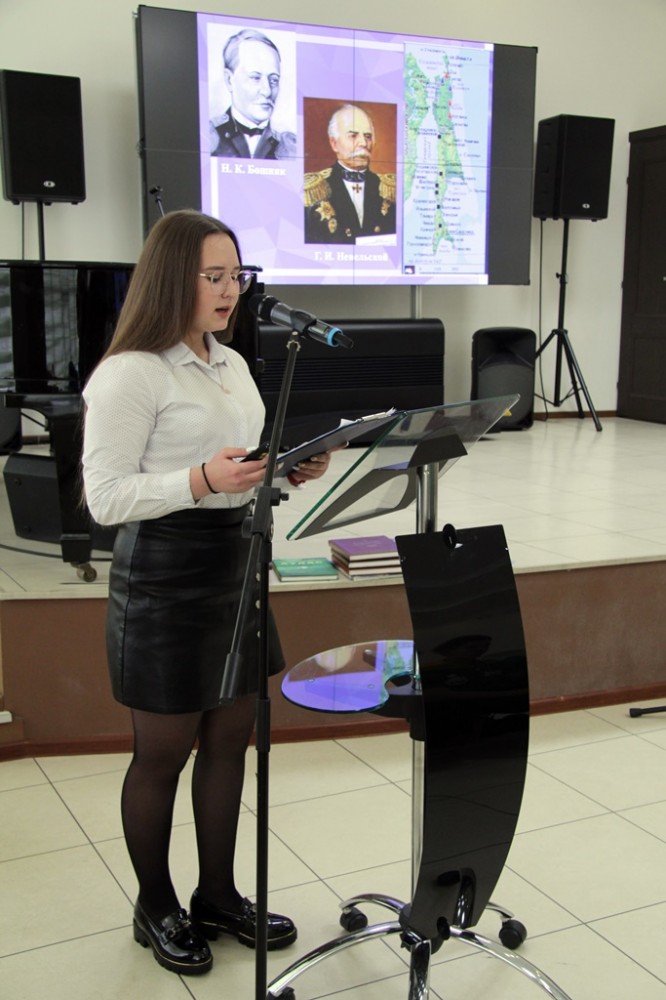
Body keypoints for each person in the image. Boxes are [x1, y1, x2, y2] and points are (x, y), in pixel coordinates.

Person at [81, 209, 332, 976]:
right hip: (163, 575)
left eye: (237, 277)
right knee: (162, 754)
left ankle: (217, 895)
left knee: (230, 739)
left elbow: (236, 465)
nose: (230, 291)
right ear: (171, 280)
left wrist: (283, 466)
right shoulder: (130, 373)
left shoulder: (231, 363)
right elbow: (104, 498)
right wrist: (199, 480)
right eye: (214, 277)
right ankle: (155, 906)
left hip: (234, 562)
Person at [304, 104, 396, 244]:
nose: (363, 143)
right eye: (353, 136)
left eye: (368, 136)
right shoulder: (312, 190)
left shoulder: (390, 190)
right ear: (334, 143)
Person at [210, 28, 296, 160]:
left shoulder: (290, 148)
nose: (267, 91)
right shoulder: (207, 136)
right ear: (229, 80)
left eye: (274, 80)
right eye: (255, 78)